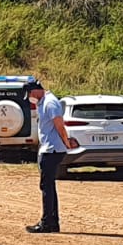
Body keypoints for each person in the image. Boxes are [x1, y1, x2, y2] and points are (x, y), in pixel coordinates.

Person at [25, 80, 78, 234]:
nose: (30, 98)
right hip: (48, 149)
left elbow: (59, 125)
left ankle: (47, 222)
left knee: (47, 186)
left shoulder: (50, 103)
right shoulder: (43, 102)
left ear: (35, 91)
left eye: (29, 94)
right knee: (48, 186)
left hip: (52, 150)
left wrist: (66, 142)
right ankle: (51, 221)